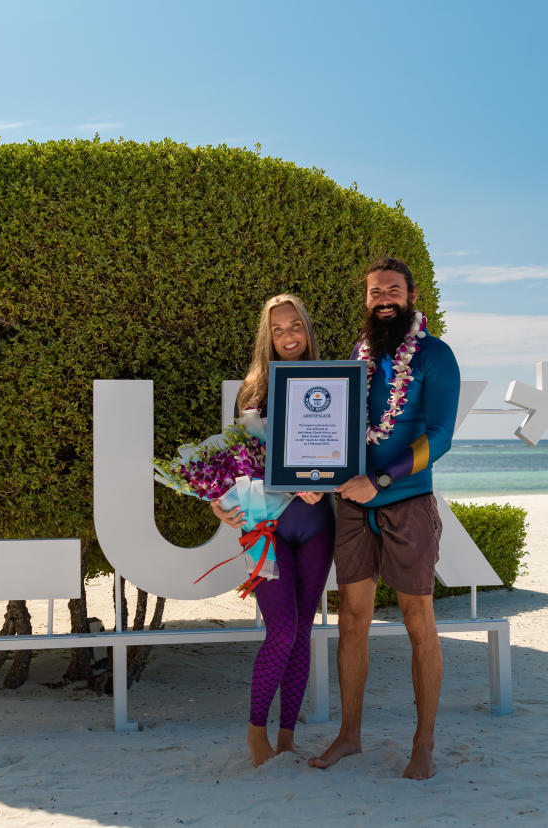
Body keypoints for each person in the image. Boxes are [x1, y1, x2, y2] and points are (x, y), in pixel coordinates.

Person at [310, 257, 460, 780]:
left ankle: (424, 743)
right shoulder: (359, 355)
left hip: (407, 502)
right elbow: (338, 425)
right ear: (367, 299)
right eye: (376, 291)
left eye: (393, 289)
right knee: (352, 620)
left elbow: (439, 436)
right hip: (353, 506)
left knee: (419, 622)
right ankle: (349, 736)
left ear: (412, 296)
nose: (384, 298)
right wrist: (315, 473)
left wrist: (383, 479)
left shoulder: (436, 356)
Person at [211, 294, 335, 767]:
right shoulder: (252, 391)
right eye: (279, 328)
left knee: (302, 632)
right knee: (280, 632)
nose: (288, 335)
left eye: (295, 325)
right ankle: (255, 731)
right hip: (267, 528)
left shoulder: (329, 383)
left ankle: (287, 735)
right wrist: (219, 507)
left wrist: (323, 484)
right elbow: (231, 462)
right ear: (268, 334)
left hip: (316, 525)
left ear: (307, 328)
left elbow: (338, 450)